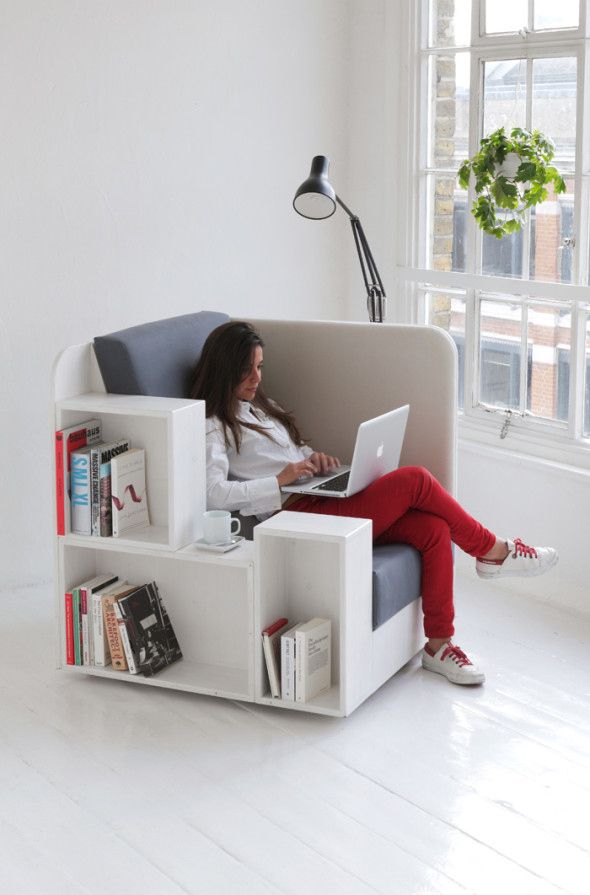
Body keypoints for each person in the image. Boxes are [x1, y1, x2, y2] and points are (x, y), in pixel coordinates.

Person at [191, 321, 558, 686]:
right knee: (415, 480)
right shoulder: (212, 426)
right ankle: (492, 550)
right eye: (247, 369)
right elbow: (215, 494)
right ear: (225, 370)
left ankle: (438, 646)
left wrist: (311, 460)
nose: (256, 377)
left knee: (433, 529)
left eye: (260, 367)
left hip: (315, 495)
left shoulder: (258, 408)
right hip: (294, 515)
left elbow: (286, 454)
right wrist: (279, 481)